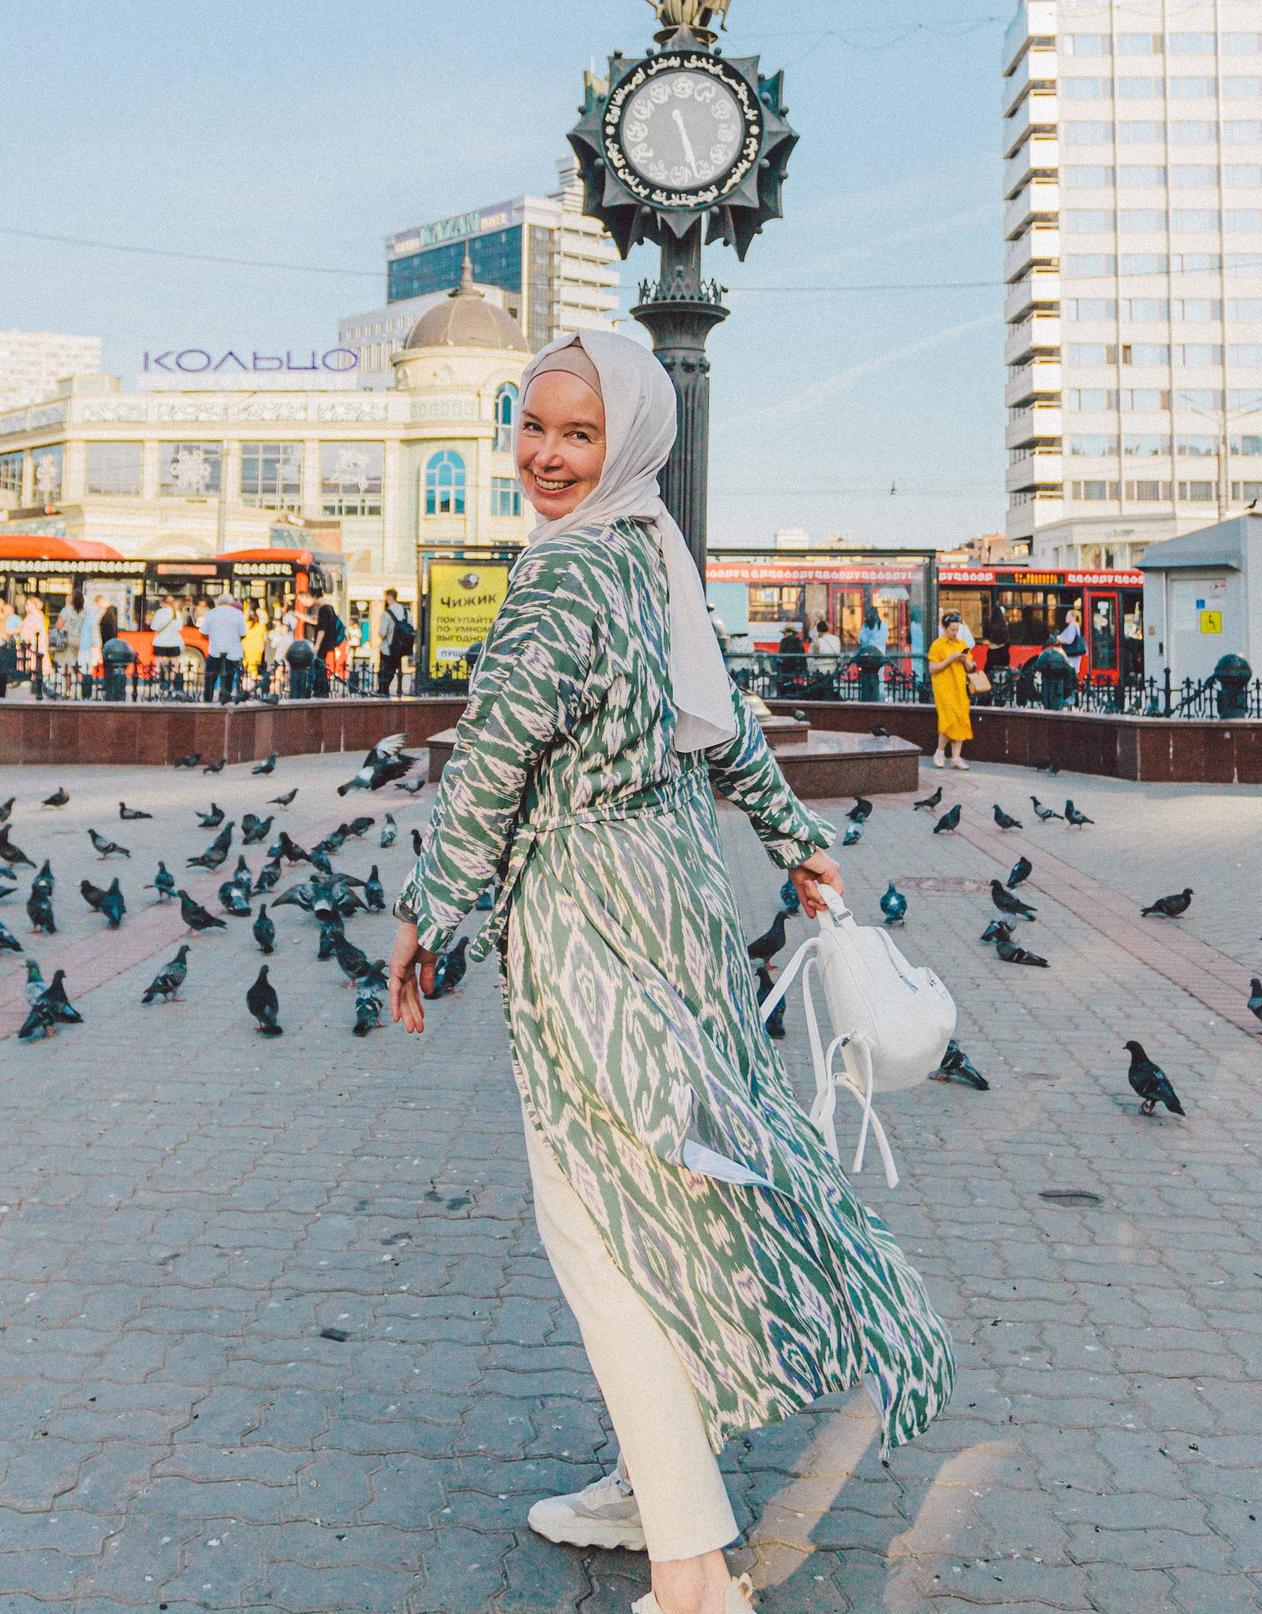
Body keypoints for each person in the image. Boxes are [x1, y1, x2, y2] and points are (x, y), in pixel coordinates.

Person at [391, 331, 949, 1614]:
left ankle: (695, 1573)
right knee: (671, 1193)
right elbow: (727, 724)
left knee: (598, 1221)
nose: (544, 454)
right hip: (678, 903)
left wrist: (429, 912)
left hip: (593, 921)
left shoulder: (566, 574)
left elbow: (492, 762)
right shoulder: (648, 551)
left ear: (628, 440)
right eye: (532, 426)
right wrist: (796, 837)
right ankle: (659, 1482)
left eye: (576, 434)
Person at [928, 608, 980, 769]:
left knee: (961, 718)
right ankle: (940, 752)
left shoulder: (961, 644)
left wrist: (965, 661)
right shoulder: (937, 645)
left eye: (957, 629)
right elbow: (932, 668)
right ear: (944, 628)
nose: (955, 633)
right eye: (952, 630)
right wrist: (950, 659)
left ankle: (956, 757)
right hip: (944, 688)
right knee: (949, 720)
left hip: (960, 687)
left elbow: (971, 668)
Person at [200, 591, 248, 704]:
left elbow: (203, 632)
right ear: (230, 602)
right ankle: (225, 696)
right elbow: (243, 634)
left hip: (215, 649)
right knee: (229, 675)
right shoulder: (237, 614)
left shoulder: (211, 613)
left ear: (219, 602)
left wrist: (212, 639)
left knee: (211, 676)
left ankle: (208, 698)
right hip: (233, 650)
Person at [376, 587, 417, 697]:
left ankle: (383, 691)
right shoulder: (407, 612)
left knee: (385, 672)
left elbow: (382, 633)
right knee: (395, 671)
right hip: (402, 648)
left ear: (389, 597)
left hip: (388, 648)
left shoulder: (387, 613)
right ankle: (397, 690)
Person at [241, 600, 269, 693]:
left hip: (246, 648)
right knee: (254, 668)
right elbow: (264, 639)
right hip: (257, 650)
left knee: (245, 668)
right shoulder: (261, 626)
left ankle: (244, 687)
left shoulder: (246, 624)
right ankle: (252, 686)